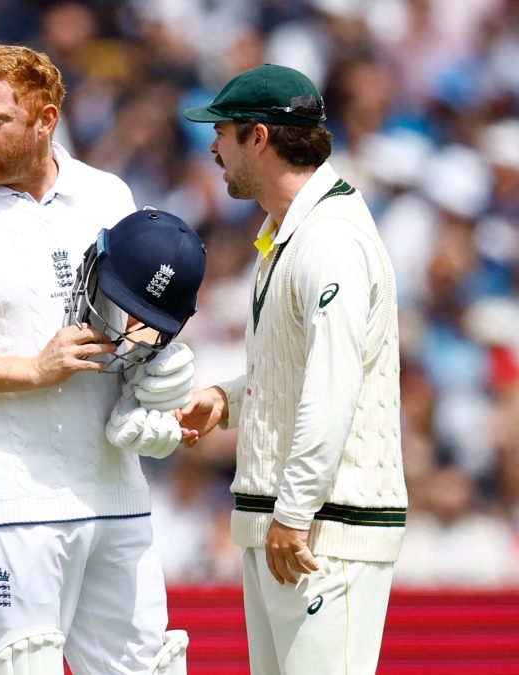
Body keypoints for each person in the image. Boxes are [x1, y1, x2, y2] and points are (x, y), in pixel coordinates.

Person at [0, 43, 202, 675]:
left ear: (46, 120)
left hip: (114, 492)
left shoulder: (108, 196)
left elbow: (138, 323)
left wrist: (154, 381)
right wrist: (32, 369)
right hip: (3, 500)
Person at [178, 63, 406, 675]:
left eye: (222, 131)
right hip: (286, 528)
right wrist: (229, 400)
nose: (212, 146)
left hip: (321, 535)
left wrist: (295, 512)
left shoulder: (330, 240)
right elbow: (297, 369)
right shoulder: (285, 232)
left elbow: (334, 387)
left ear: (259, 135)